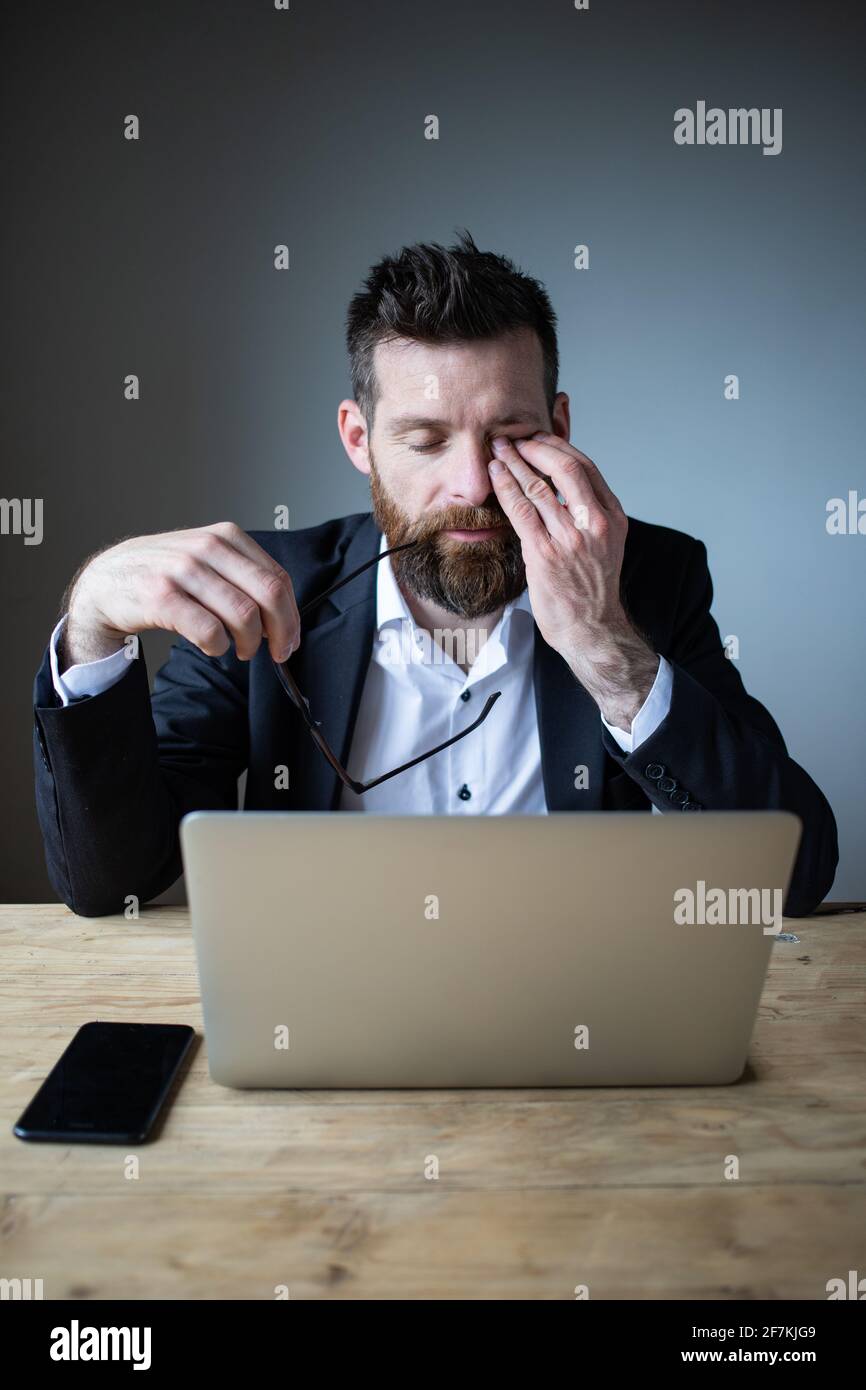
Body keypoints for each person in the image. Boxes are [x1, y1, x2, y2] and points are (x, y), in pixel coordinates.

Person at [33, 230, 837, 917]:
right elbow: (113, 885)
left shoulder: (647, 577)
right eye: (424, 441)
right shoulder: (260, 591)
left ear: (560, 426)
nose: (473, 484)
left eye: (510, 433)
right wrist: (95, 622)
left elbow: (790, 880)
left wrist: (606, 648)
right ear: (359, 440)